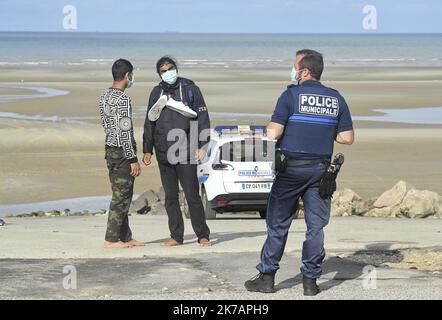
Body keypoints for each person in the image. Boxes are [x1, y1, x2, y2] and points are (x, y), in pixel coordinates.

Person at [244, 49, 354, 295]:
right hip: (321, 172)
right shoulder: (336, 98)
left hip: (291, 171)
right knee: (315, 228)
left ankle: (267, 276)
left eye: (294, 66)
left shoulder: (290, 96)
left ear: (304, 71)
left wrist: (272, 127)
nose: (292, 70)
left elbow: (273, 133)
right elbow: (347, 138)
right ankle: (310, 283)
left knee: (278, 225)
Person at [143, 56, 211, 247]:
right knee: (170, 197)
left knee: (192, 195)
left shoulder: (191, 89)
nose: (167, 73)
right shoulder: (156, 92)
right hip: (163, 152)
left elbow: (203, 118)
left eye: (170, 69)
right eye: (163, 71)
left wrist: (202, 145)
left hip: (186, 150)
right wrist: (147, 149)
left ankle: (202, 235)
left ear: (176, 69)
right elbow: (150, 121)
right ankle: (176, 236)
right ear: (159, 74)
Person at [99, 58, 144, 249]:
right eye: (131, 75)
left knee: (123, 194)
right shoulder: (122, 99)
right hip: (122, 152)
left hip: (110, 149)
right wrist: (133, 158)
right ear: (127, 75)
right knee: (121, 197)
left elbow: (106, 124)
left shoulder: (105, 96)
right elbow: (125, 130)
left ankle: (125, 236)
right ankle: (111, 239)